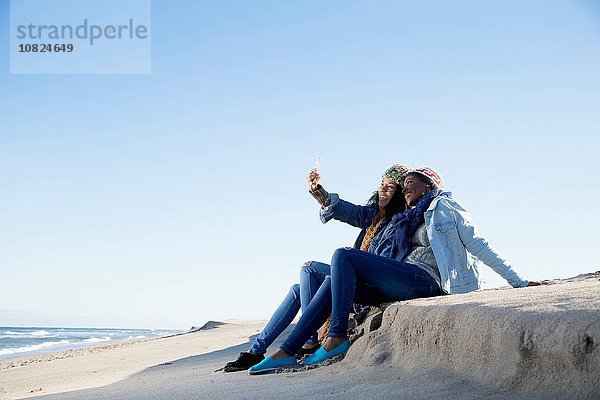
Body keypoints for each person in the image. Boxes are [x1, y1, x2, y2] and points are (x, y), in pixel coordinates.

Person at [249, 167, 540, 374]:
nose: (407, 187)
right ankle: (287, 351)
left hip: (428, 281)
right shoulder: (404, 218)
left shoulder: (444, 207)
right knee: (328, 279)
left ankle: (335, 337)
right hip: (404, 278)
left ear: (429, 185)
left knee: (344, 256)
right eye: (405, 184)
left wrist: (519, 281)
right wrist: (322, 195)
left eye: (412, 182)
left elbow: (478, 244)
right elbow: (360, 213)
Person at [219, 163, 412, 372]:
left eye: (390, 187)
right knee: (298, 287)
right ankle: (256, 351)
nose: (382, 190)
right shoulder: (374, 216)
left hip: (365, 284)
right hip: (355, 275)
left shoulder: (398, 223)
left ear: (400, 193)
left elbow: (384, 266)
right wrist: (317, 190)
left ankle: (310, 342)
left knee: (310, 269)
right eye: (381, 184)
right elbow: (347, 210)